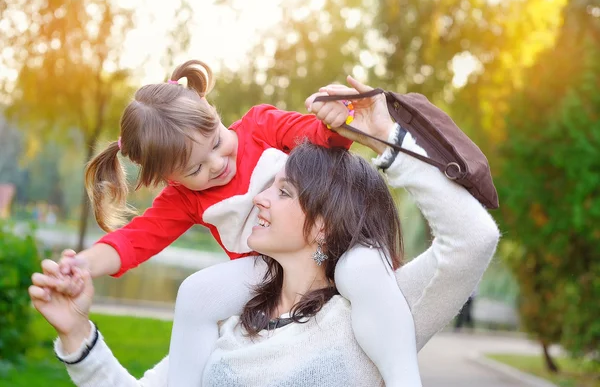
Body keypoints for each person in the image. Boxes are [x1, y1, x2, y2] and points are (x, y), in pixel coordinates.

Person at [30, 83, 500, 386]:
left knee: (358, 265)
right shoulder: (228, 327)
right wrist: (77, 321)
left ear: (322, 216)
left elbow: (320, 138)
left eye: (284, 189)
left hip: (349, 262)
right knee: (195, 289)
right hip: (256, 271)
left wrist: (361, 128)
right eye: (196, 169)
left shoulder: (377, 305)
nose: (222, 169)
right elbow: (136, 240)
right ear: (172, 179)